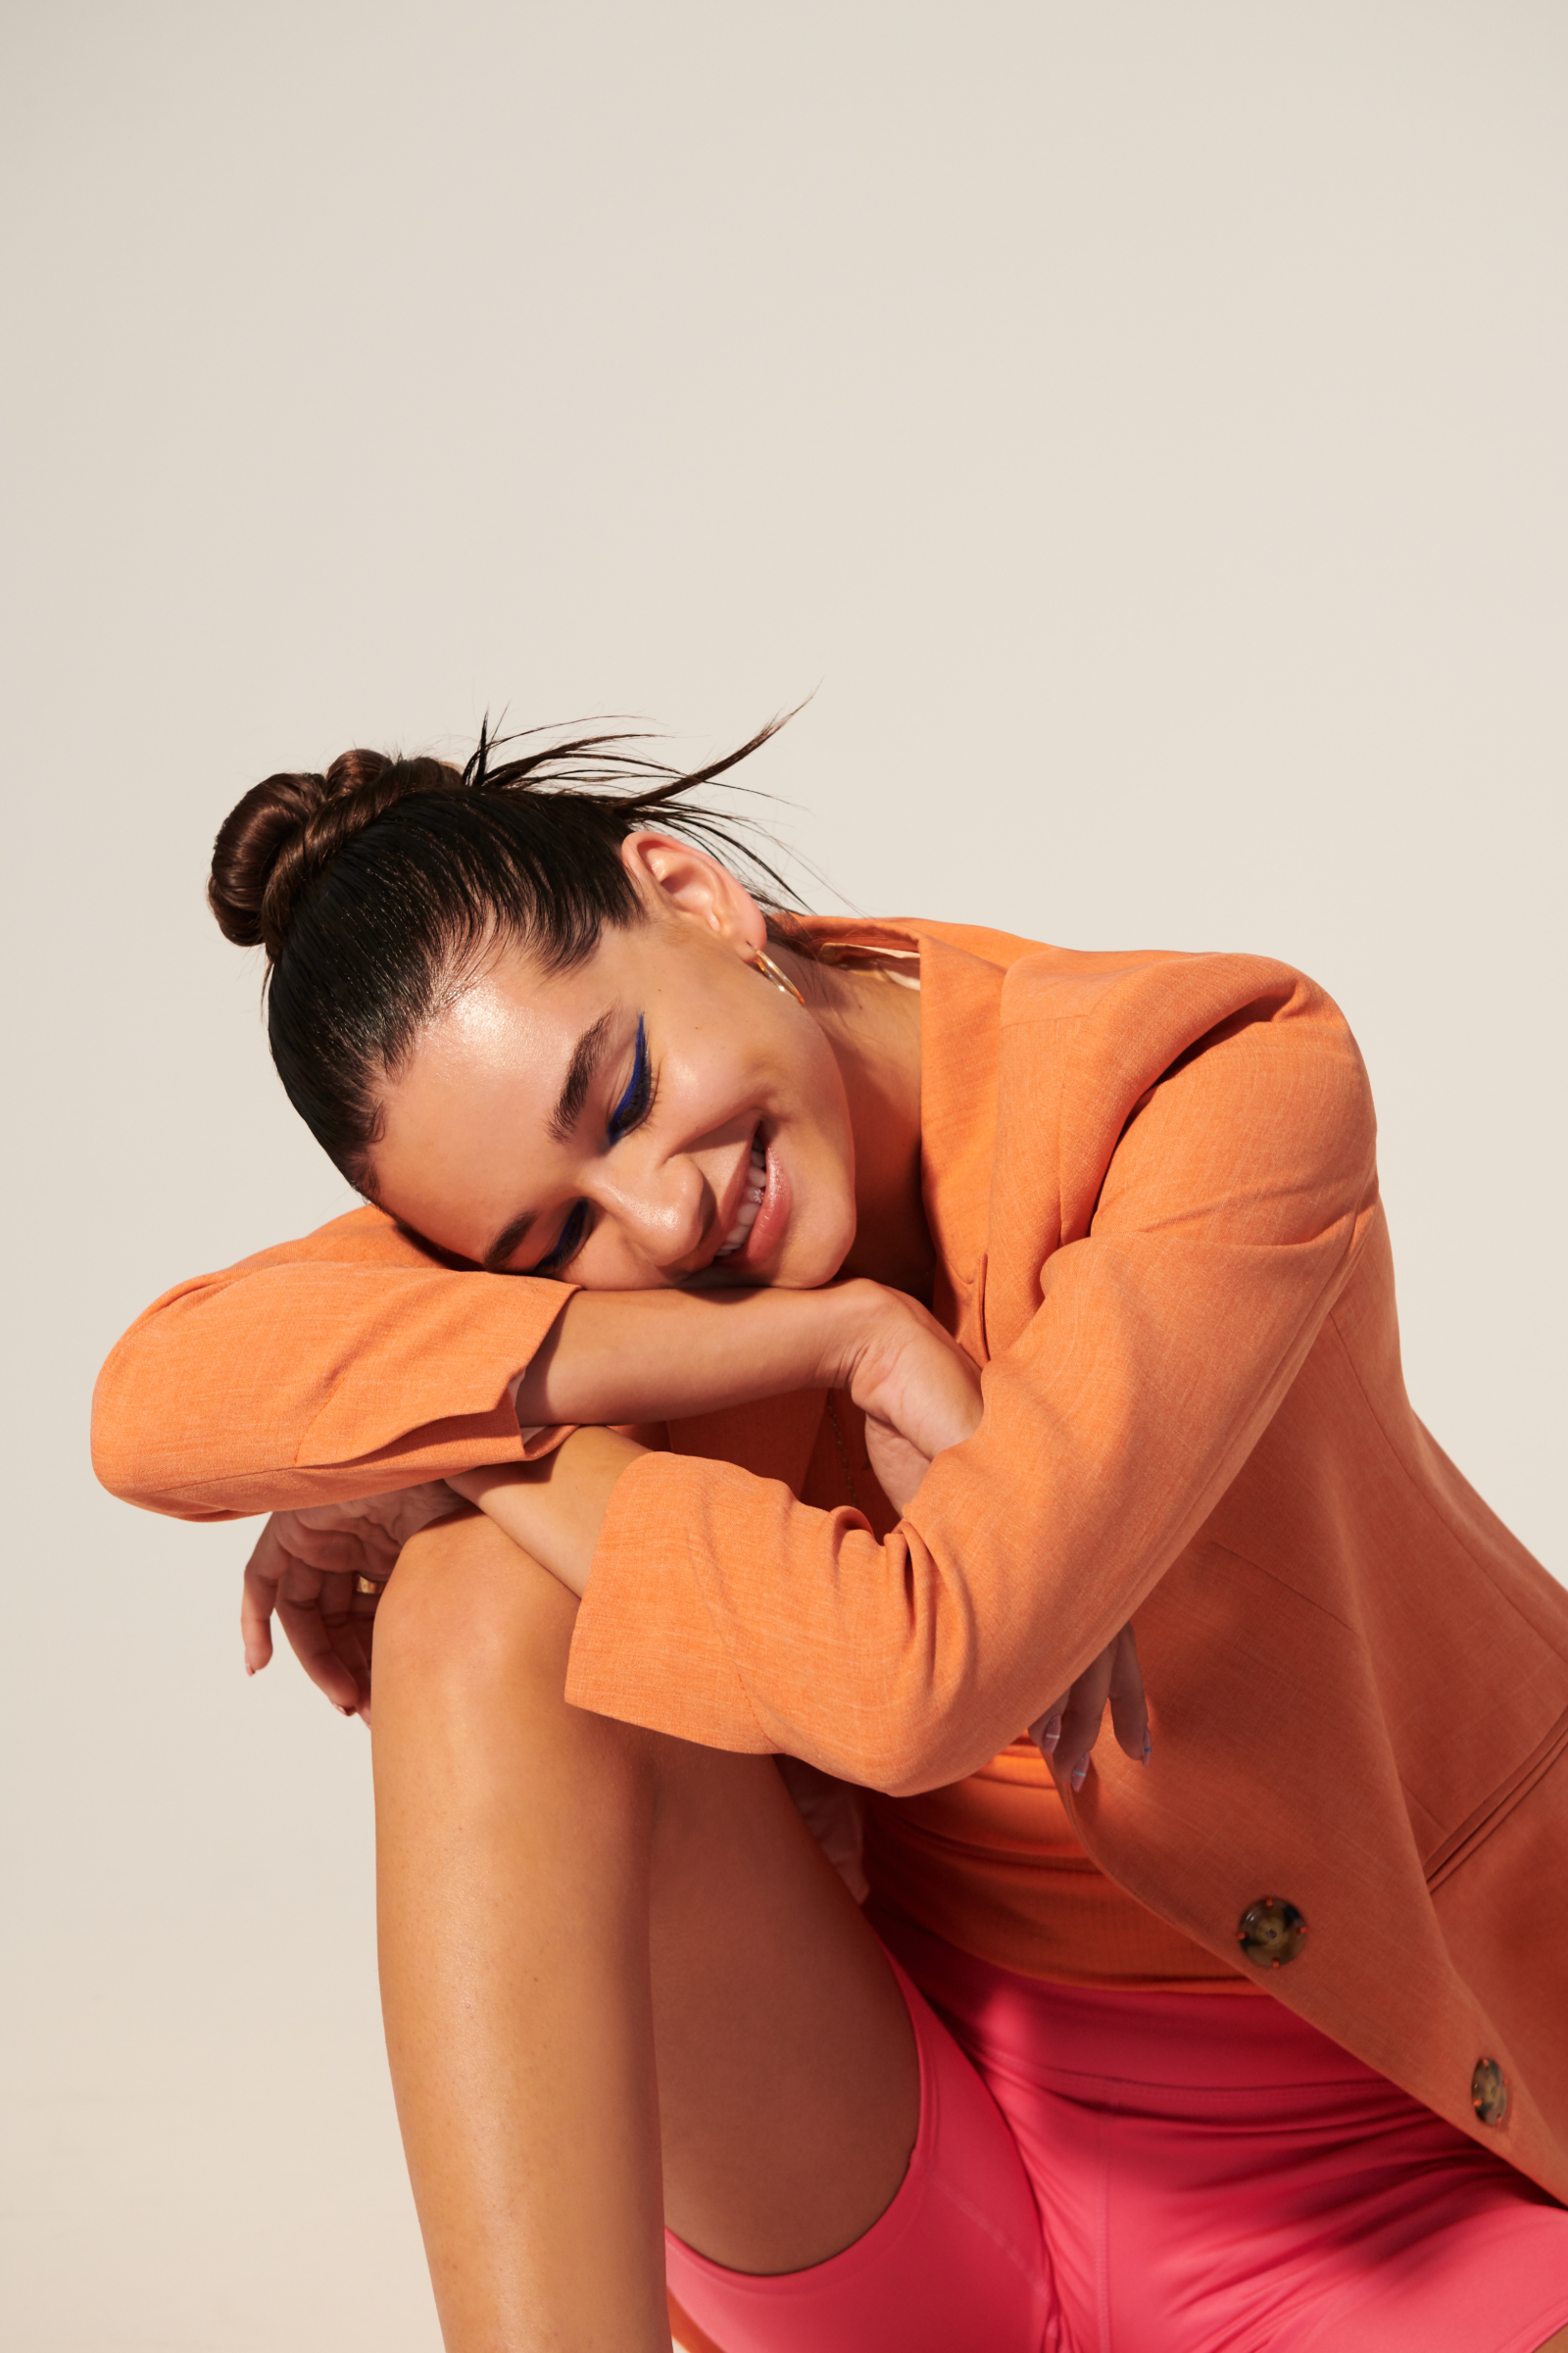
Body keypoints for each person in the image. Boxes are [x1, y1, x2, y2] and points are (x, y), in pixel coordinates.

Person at [93, 723, 1568, 2353]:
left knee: (481, 1530)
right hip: (898, 2164)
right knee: (470, 1609)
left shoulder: (1215, 1086)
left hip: (1384, 2191)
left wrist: (477, 1448)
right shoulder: (598, 1218)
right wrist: (829, 1337)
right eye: (555, 1238)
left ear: (691, 891)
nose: (656, 1219)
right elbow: (153, 1399)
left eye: (629, 1091)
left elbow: (917, 1672)